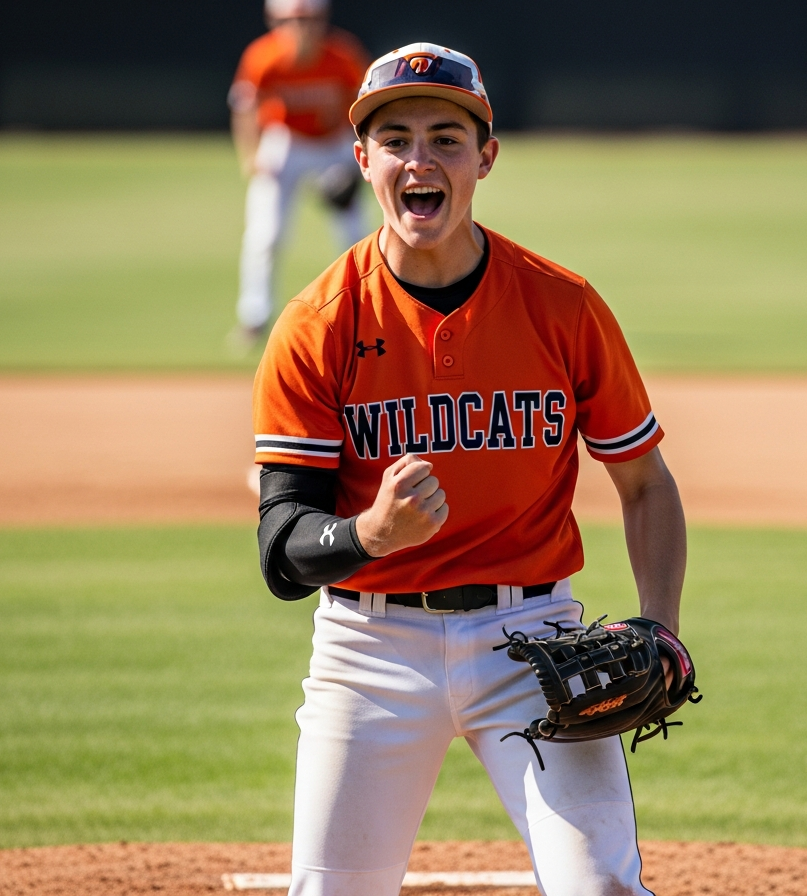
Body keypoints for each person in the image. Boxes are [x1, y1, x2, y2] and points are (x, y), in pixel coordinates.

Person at [251, 43, 687, 896]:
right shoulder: (317, 326)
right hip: (368, 649)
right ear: (364, 160)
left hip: (534, 643)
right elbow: (280, 548)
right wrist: (372, 532)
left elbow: (645, 481)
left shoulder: (562, 306)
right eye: (398, 138)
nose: (422, 159)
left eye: (447, 138)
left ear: (485, 158)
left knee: (600, 888)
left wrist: (660, 626)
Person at [227, 0, 370, 350]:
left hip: (334, 144)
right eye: (290, 19)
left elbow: (367, 105)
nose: (300, 26)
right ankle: (254, 318)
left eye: (308, 19)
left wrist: (361, 155)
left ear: (323, 21)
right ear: (274, 21)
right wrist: (251, 156)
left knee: (354, 234)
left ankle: (366, 311)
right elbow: (244, 108)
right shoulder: (263, 56)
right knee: (266, 235)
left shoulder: (342, 55)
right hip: (285, 142)